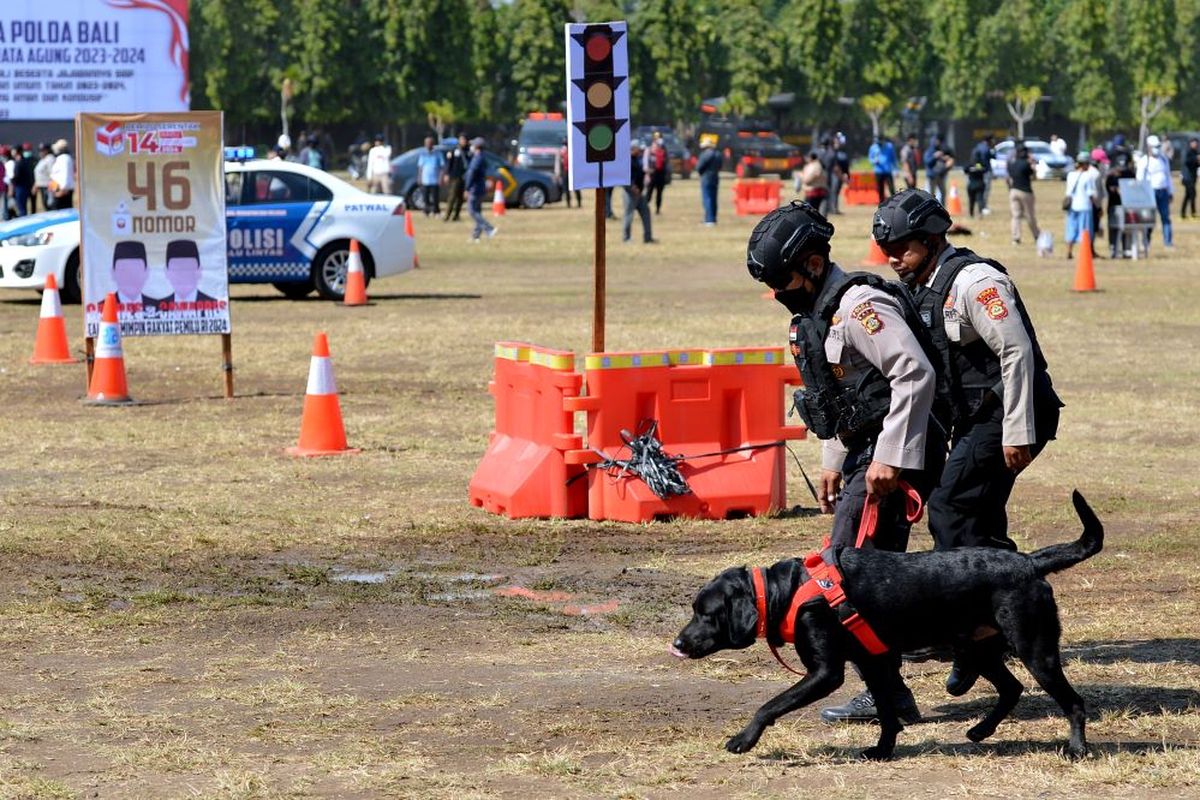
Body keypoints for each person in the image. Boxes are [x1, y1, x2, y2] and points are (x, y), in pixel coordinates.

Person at [746, 200, 946, 725]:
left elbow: (914, 375)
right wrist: (833, 458)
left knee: (850, 576)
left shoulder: (859, 306)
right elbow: (840, 395)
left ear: (812, 265)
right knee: (853, 573)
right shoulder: (815, 314)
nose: (776, 294)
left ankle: (889, 697)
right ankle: (890, 692)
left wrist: (890, 459)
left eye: (782, 280)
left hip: (891, 456)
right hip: (865, 452)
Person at [873, 188, 1062, 695]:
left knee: (952, 507)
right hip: (978, 419)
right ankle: (996, 622)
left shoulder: (975, 282)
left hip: (1010, 416)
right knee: (975, 516)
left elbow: (1017, 352)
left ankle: (977, 630)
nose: (894, 259)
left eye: (904, 248)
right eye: (888, 249)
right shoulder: (920, 286)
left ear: (934, 240)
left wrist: (1019, 430)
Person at [1137, 135, 1173, 249]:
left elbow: (1168, 176)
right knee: (1148, 219)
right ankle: (1145, 242)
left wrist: (1170, 191)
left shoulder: (1164, 159)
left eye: (1158, 146)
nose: (1157, 148)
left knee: (1165, 217)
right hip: (1149, 192)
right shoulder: (1144, 161)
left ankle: (1168, 242)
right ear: (1148, 147)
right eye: (1154, 146)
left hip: (1163, 191)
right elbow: (1140, 179)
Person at [1063, 153, 1100, 260]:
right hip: (1084, 207)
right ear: (1084, 164)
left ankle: (1069, 251)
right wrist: (1097, 207)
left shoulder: (1070, 175)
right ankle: (1085, 254)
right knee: (1085, 232)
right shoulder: (1088, 176)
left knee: (1071, 229)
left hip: (1072, 207)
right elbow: (1090, 194)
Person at [1006, 143, 1039, 246]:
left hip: (1013, 191)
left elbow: (1008, 179)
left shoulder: (1011, 163)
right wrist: (1032, 165)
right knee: (1029, 215)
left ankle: (1016, 238)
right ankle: (1036, 235)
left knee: (1016, 216)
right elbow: (1034, 177)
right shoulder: (1026, 164)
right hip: (1025, 191)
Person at [624, 141, 654, 243]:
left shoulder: (638, 159)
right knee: (629, 215)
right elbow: (625, 177)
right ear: (633, 148)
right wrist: (632, 187)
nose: (640, 150)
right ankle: (626, 238)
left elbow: (640, 172)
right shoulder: (626, 160)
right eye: (638, 149)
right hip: (630, 193)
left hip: (639, 193)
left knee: (646, 213)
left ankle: (648, 237)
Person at [1105, 153, 1134, 258]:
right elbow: (1109, 189)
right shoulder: (1111, 176)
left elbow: (1133, 186)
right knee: (1113, 228)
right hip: (1114, 205)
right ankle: (1113, 249)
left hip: (1127, 205)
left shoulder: (1130, 173)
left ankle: (1127, 249)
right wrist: (1117, 190)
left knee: (1127, 228)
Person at [696, 137, 721, 226]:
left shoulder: (705, 154)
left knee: (707, 198)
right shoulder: (718, 154)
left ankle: (709, 219)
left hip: (706, 177)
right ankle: (713, 218)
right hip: (715, 177)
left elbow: (699, 167)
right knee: (714, 198)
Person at [416, 136, 444, 217]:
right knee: (425, 197)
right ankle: (426, 211)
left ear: (433, 144)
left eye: (430, 143)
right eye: (426, 143)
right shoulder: (423, 154)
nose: (428, 145)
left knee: (435, 197)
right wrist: (419, 177)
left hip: (435, 179)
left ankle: (436, 212)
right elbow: (420, 167)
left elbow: (442, 167)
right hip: (425, 179)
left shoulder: (438, 154)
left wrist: (441, 177)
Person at [967, 136, 994, 217]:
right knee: (981, 196)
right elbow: (993, 157)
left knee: (971, 199)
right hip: (981, 181)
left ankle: (971, 213)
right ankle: (982, 210)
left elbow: (965, 170)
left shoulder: (977, 148)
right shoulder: (987, 149)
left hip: (971, 184)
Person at [643, 132, 669, 215]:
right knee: (649, 192)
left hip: (660, 173)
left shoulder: (664, 149)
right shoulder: (649, 149)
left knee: (659, 193)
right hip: (652, 173)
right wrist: (647, 171)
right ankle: (644, 208)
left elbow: (666, 161)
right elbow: (645, 161)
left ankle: (658, 209)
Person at [868, 135, 896, 203]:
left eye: (881, 142)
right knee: (880, 189)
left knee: (892, 189)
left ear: (884, 140)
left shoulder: (889, 146)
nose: (879, 144)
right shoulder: (873, 147)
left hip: (888, 171)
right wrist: (874, 161)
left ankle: (895, 204)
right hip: (878, 172)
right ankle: (882, 204)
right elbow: (870, 159)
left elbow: (893, 158)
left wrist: (896, 169)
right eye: (878, 143)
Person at [555, 139, 582, 209]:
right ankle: (568, 204)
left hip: (573, 171)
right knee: (566, 189)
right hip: (565, 171)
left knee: (576, 188)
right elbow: (558, 163)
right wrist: (558, 173)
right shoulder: (561, 151)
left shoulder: (574, 150)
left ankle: (579, 203)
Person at [48, 139, 74, 210]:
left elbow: (65, 175)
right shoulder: (63, 158)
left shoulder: (64, 158)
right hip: (57, 189)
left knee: (62, 212)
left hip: (61, 190)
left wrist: (62, 190)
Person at [10, 144, 34, 217]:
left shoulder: (20, 162)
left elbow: (17, 176)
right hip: (23, 186)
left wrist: (12, 181)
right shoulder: (23, 161)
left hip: (21, 187)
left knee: (21, 208)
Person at [831, 133, 851, 213]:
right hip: (834, 175)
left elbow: (846, 165)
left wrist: (847, 175)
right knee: (833, 191)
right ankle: (832, 208)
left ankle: (835, 208)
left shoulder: (844, 151)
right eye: (837, 140)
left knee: (837, 191)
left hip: (842, 175)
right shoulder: (832, 151)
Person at [33, 143, 54, 213]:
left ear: (47, 150)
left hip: (48, 186)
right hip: (42, 186)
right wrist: (36, 184)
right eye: (40, 150)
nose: (41, 152)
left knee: (50, 205)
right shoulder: (43, 159)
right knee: (45, 205)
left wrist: (51, 187)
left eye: (43, 150)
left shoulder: (50, 158)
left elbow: (52, 174)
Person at [1182, 137, 1199, 219]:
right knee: (1192, 194)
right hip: (1187, 178)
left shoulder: (1195, 152)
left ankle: (1183, 213)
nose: (1196, 144)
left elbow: (1196, 165)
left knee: (1188, 195)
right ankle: (1192, 212)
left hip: (1193, 177)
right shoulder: (1188, 152)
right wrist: (1196, 158)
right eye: (1194, 143)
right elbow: (1187, 162)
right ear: (1191, 144)